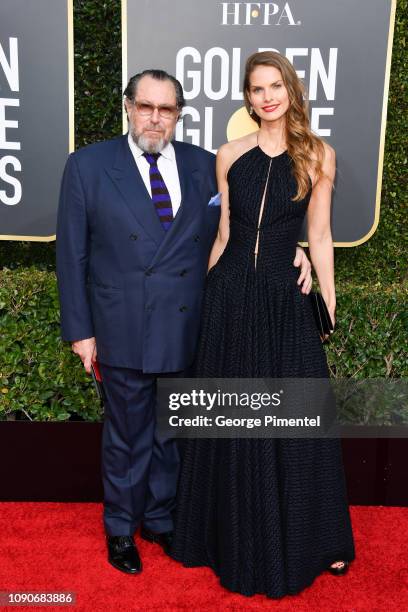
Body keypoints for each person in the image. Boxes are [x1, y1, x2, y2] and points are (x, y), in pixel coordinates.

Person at [55, 68, 313, 575]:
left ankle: (160, 516)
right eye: (145, 106)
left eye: (166, 109)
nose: (155, 117)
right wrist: (81, 331)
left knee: (172, 432)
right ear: (128, 106)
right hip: (120, 324)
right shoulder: (87, 166)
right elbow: (71, 257)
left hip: (188, 325)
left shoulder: (205, 164)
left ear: (178, 114)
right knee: (127, 434)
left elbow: (246, 229)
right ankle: (121, 528)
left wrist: (295, 250)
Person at [170, 51, 356, 598]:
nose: (267, 96)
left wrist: (328, 303)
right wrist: (203, 299)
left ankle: (311, 540)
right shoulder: (228, 155)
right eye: (256, 89)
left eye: (275, 86)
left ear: (291, 91)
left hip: (282, 300)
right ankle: (219, 539)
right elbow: (225, 234)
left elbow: (318, 236)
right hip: (229, 297)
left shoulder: (319, 156)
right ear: (247, 99)